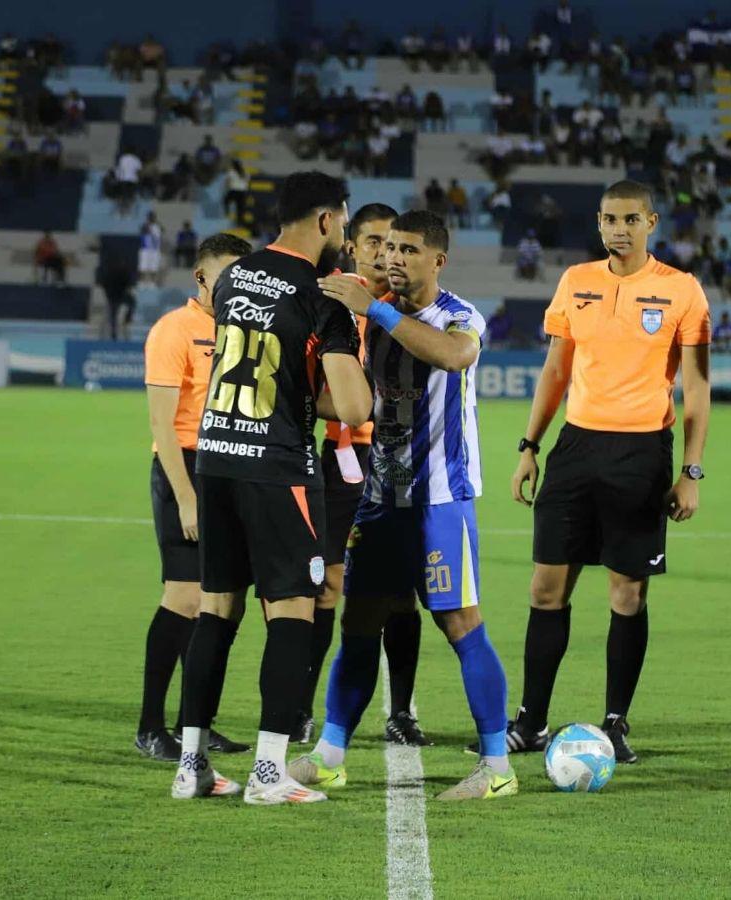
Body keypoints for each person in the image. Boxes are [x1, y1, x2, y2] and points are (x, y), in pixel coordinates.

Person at [291, 209, 516, 802]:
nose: (393, 258)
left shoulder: (459, 317)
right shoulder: (371, 314)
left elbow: (453, 357)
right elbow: (354, 402)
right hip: (380, 500)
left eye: (408, 250)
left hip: (441, 500)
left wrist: (377, 311)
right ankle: (331, 755)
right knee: (359, 623)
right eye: (388, 247)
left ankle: (497, 766)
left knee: (460, 624)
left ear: (436, 261)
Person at [172, 171, 372, 804]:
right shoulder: (322, 296)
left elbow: (269, 366)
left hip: (217, 456)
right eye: (343, 221)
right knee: (291, 612)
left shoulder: (235, 275)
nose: (343, 232)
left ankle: (191, 766)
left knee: (217, 609)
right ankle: (267, 774)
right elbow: (353, 404)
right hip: (277, 466)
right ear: (324, 221)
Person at [501, 180, 711, 762]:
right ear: (598, 223)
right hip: (574, 449)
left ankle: (616, 723)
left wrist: (691, 470)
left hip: (642, 455)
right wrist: (529, 446)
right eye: (609, 219)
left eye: (630, 219)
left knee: (626, 594)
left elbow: (696, 385)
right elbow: (555, 371)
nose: (619, 229)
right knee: (546, 590)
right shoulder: (577, 282)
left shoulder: (682, 290)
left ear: (652, 222)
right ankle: (531, 720)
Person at [292, 202, 431, 748]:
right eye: (372, 241)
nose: (383, 252)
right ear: (352, 246)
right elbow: (304, 383)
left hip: (397, 462)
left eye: (393, 243)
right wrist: (352, 408)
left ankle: (401, 712)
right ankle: (303, 709)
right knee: (326, 588)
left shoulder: (408, 308)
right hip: (335, 461)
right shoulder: (331, 298)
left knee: (400, 595)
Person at [138, 232, 254, 764]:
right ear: (201, 277)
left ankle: (195, 726)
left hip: (231, 465)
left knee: (218, 605)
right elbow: (162, 427)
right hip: (184, 466)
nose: (235, 285)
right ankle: (150, 726)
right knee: (183, 598)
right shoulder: (174, 330)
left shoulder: (246, 328)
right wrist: (186, 498)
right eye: (225, 275)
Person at [138, 214, 162, 285]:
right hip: (145, 248)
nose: (151, 219)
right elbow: (142, 232)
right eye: (150, 218)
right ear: (148, 218)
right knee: (142, 266)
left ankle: (152, 282)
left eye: (153, 218)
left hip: (154, 249)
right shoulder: (144, 226)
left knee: (153, 266)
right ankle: (141, 281)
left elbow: (160, 234)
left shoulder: (157, 227)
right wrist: (147, 227)